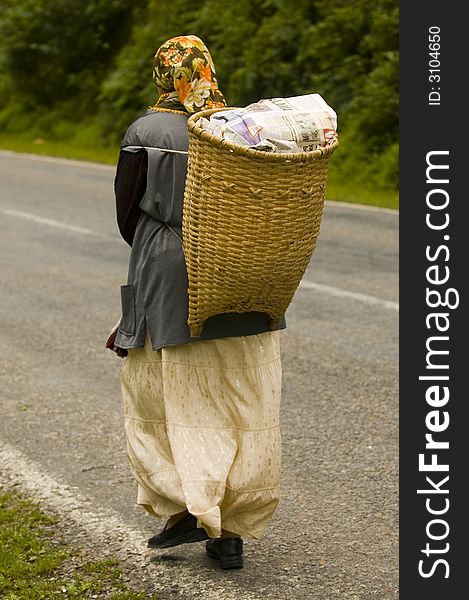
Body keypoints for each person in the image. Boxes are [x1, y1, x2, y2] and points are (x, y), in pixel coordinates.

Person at [108, 35, 285, 570]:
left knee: (171, 397)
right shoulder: (243, 129)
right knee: (237, 398)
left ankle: (187, 506)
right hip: (244, 275)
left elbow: (126, 213)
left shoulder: (146, 131)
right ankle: (229, 530)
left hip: (169, 278)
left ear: (164, 75)